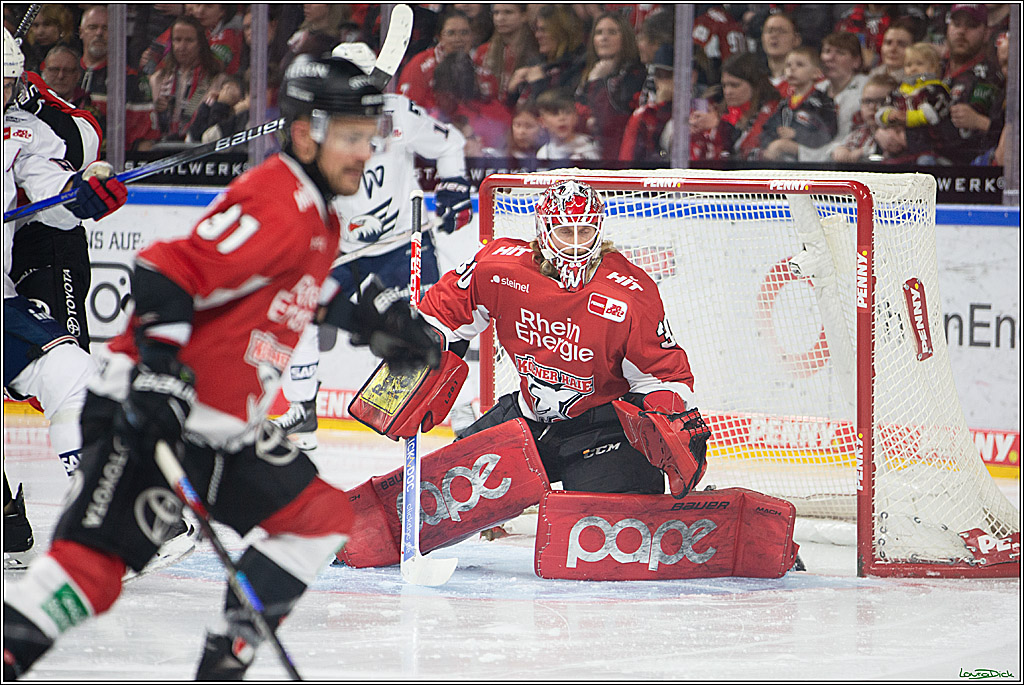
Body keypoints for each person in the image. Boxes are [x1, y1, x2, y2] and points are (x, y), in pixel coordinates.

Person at [3, 53, 441, 681]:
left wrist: (379, 324)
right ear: (303, 133)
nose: (363, 154)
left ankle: (223, 664)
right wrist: (157, 374)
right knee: (92, 574)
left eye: (369, 139)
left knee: (319, 519)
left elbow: (301, 292)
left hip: (223, 427)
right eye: (349, 137)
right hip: (149, 410)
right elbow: (165, 270)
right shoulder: (276, 199)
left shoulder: (319, 211)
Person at [418, 179, 709, 498]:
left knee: (613, 523)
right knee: (440, 493)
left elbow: (665, 375)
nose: (574, 244)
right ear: (544, 232)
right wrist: (416, 356)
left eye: (584, 232)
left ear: (598, 231)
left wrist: (668, 415)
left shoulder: (629, 294)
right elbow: (440, 316)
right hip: (530, 420)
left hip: (603, 430)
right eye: (564, 232)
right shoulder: (500, 268)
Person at [273, 43, 471, 452]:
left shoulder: (399, 113)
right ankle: (302, 407)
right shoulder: (316, 128)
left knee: (437, 325)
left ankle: (463, 414)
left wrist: (454, 184)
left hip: (399, 245)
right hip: (341, 251)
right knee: (298, 304)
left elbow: (450, 143)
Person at [3, 27, 129, 568]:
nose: (3, 97)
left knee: (75, 375)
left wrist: (85, 194)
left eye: (8, 85)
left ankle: (109, 526)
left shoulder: (21, 133)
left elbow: (52, 197)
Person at [77, 5, 161, 152]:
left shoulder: (131, 80)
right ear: (81, 32)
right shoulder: (63, 72)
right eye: (92, 27)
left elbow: (145, 142)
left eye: (106, 28)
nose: (99, 33)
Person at [575, 12, 646, 160]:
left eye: (612, 32)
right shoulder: (582, 71)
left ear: (625, 38)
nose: (604, 38)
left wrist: (597, 82)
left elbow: (609, 122)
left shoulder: (636, 75)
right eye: (599, 33)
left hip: (619, 158)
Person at [398, 9, 499, 111]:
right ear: (439, 37)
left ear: (472, 36)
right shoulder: (420, 65)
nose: (458, 39)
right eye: (451, 33)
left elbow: (492, 107)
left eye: (464, 33)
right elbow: (408, 107)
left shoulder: (480, 64)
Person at [942, 3, 1005, 166]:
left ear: (986, 33)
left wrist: (979, 121)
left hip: (967, 167)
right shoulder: (933, 67)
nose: (962, 31)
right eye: (957, 24)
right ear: (948, 28)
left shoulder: (993, 76)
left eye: (972, 26)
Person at [689, 52, 781, 161]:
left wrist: (719, 125)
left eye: (735, 85)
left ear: (756, 85)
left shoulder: (775, 113)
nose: (727, 92)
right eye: (724, 85)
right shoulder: (717, 107)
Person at [875, 42, 956, 165]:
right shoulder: (899, 90)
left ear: (933, 67)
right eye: (908, 65)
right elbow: (883, 109)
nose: (913, 68)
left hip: (929, 150)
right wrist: (889, 116)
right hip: (900, 151)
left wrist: (907, 118)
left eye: (919, 64)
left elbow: (932, 115)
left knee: (924, 163)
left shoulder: (936, 89)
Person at [149, 15, 223, 142]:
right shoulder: (157, 79)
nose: (182, 46)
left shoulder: (216, 79)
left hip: (197, 149)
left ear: (201, 43)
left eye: (189, 40)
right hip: (161, 148)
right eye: (177, 40)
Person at [761, 46, 838, 162]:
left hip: (812, 163)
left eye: (800, 65)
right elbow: (767, 129)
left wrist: (796, 135)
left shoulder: (823, 102)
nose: (792, 69)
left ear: (816, 73)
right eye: (788, 65)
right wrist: (772, 140)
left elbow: (827, 134)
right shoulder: (784, 104)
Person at [505, 6, 586, 109]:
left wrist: (539, 84)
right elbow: (511, 109)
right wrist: (512, 91)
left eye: (543, 30)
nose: (538, 35)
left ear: (561, 32)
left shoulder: (577, 67)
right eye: (537, 29)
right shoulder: (534, 63)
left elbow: (560, 110)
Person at [619, 43, 675, 163]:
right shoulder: (644, 116)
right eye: (659, 75)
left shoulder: (699, 113)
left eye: (669, 76)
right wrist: (661, 109)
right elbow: (629, 162)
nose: (665, 82)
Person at [473, 4, 540, 105]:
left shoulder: (537, 51)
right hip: (486, 114)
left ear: (524, 16)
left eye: (508, 12)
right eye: (496, 13)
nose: (500, 18)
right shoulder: (483, 51)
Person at [830, 73, 897, 163]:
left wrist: (862, 152)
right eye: (867, 101)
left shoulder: (897, 134)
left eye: (881, 101)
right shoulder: (860, 133)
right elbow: (837, 148)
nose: (872, 107)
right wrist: (840, 150)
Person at [535, 89, 600, 162]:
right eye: (555, 114)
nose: (562, 118)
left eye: (567, 113)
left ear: (575, 117)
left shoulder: (590, 147)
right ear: (543, 121)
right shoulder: (543, 154)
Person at [760, 12, 801, 90]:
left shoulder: (806, 81)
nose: (774, 36)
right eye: (769, 31)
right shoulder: (755, 82)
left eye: (781, 31)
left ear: (796, 39)